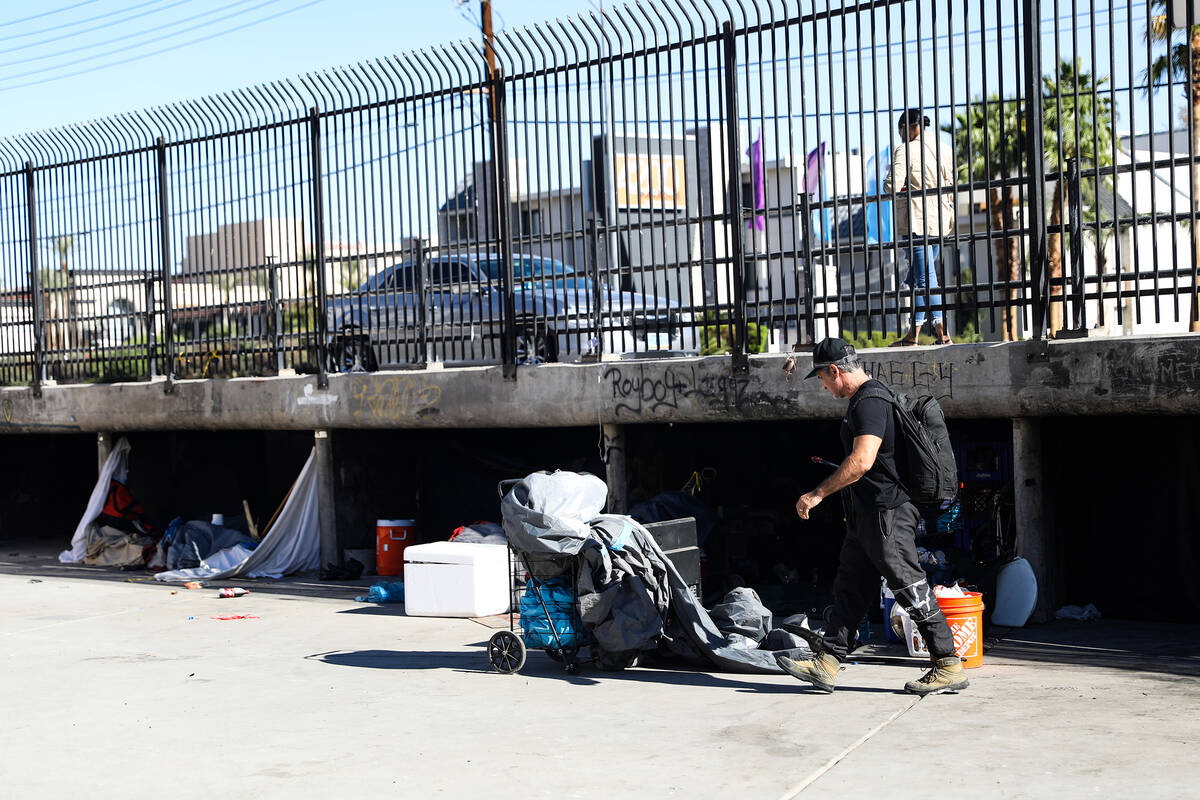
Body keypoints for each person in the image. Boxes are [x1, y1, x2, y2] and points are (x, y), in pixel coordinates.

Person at [777, 337, 968, 696]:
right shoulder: (864, 401)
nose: (823, 386)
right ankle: (827, 661)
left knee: (909, 586)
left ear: (835, 370)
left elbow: (862, 461)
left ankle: (947, 663)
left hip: (887, 513)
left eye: (822, 379)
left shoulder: (870, 401)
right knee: (850, 587)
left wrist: (817, 494)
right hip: (867, 515)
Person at [884, 109, 957, 346]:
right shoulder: (943, 148)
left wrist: (892, 183)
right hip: (940, 221)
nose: (900, 136)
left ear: (906, 127)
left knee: (925, 279)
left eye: (900, 132)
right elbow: (951, 184)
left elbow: (892, 185)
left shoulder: (905, 149)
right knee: (918, 277)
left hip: (916, 220)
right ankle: (912, 336)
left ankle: (942, 334)